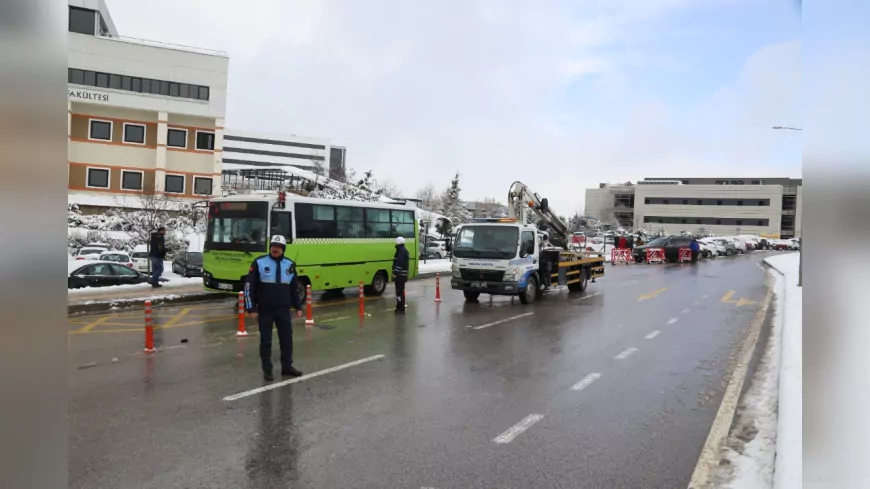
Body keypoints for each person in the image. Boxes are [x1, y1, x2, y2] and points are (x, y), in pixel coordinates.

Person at [244, 235, 304, 381]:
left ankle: (287, 367)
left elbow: (294, 288)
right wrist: (251, 308)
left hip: (283, 309)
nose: (275, 249)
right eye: (273, 246)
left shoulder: (289, 265)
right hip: (265, 310)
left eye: (278, 247)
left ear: (283, 249)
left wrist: (298, 306)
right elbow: (249, 286)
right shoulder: (259, 262)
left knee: (286, 340)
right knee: (266, 341)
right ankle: (267, 369)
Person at [392, 236, 410, 313]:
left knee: (399, 292)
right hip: (402, 275)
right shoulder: (404, 250)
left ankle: (400, 307)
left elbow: (399, 263)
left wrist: (395, 273)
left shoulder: (400, 251)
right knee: (401, 291)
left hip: (399, 275)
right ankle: (400, 306)